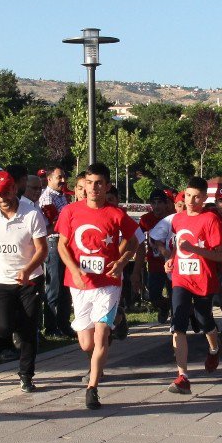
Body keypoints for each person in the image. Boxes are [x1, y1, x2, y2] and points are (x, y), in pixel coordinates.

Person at [55, 163, 139, 409]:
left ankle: (92, 388)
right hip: (79, 283)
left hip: (108, 283)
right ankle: (120, 319)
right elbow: (62, 245)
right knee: (86, 344)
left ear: (107, 186)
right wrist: (74, 269)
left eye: (99, 183)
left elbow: (133, 242)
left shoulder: (116, 214)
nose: (93, 188)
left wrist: (122, 262)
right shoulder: (70, 211)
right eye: (90, 183)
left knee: (101, 336)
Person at [0, 171, 49, 392]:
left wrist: (27, 269)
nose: (2, 198)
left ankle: (26, 375)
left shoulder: (31, 214)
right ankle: (13, 327)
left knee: (29, 329)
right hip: (0, 278)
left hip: (30, 279)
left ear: (14, 189)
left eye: (6, 193)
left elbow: (42, 250)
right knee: (2, 327)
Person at [164, 177, 222, 395]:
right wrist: (171, 258)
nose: (191, 200)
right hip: (181, 279)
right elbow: (178, 245)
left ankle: (214, 348)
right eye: (188, 195)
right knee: (178, 322)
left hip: (203, 280)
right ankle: (183, 376)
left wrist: (195, 249)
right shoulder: (177, 219)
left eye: (197, 197)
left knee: (204, 320)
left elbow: (220, 256)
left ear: (204, 198)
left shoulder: (210, 220)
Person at [39, 167, 72, 338]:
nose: (63, 180)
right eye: (59, 177)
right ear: (50, 179)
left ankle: (64, 324)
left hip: (64, 243)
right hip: (53, 242)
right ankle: (51, 326)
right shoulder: (47, 198)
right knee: (54, 286)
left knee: (65, 286)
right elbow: (51, 225)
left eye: (64, 176)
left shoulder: (62, 196)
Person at [132, 189, 173, 324]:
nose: (156, 206)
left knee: (175, 296)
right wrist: (136, 271)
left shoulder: (173, 218)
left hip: (173, 264)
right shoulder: (146, 219)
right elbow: (138, 242)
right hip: (155, 264)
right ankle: (165, 306)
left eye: (159, 202)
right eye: (153, 203)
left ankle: (178, 322)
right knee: (154, 296)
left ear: (166, 203)